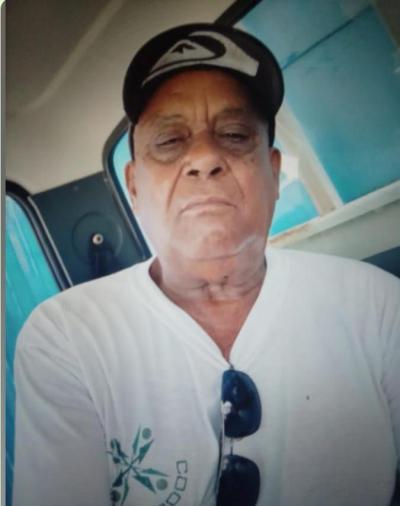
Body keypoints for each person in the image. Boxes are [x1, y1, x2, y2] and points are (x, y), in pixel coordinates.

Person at [13, 23, 399, 506]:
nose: (204, 157)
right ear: (134, 186)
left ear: (274, 173)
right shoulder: (67, 336)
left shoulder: (377, 306)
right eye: (170, 141)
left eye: (234, 135)